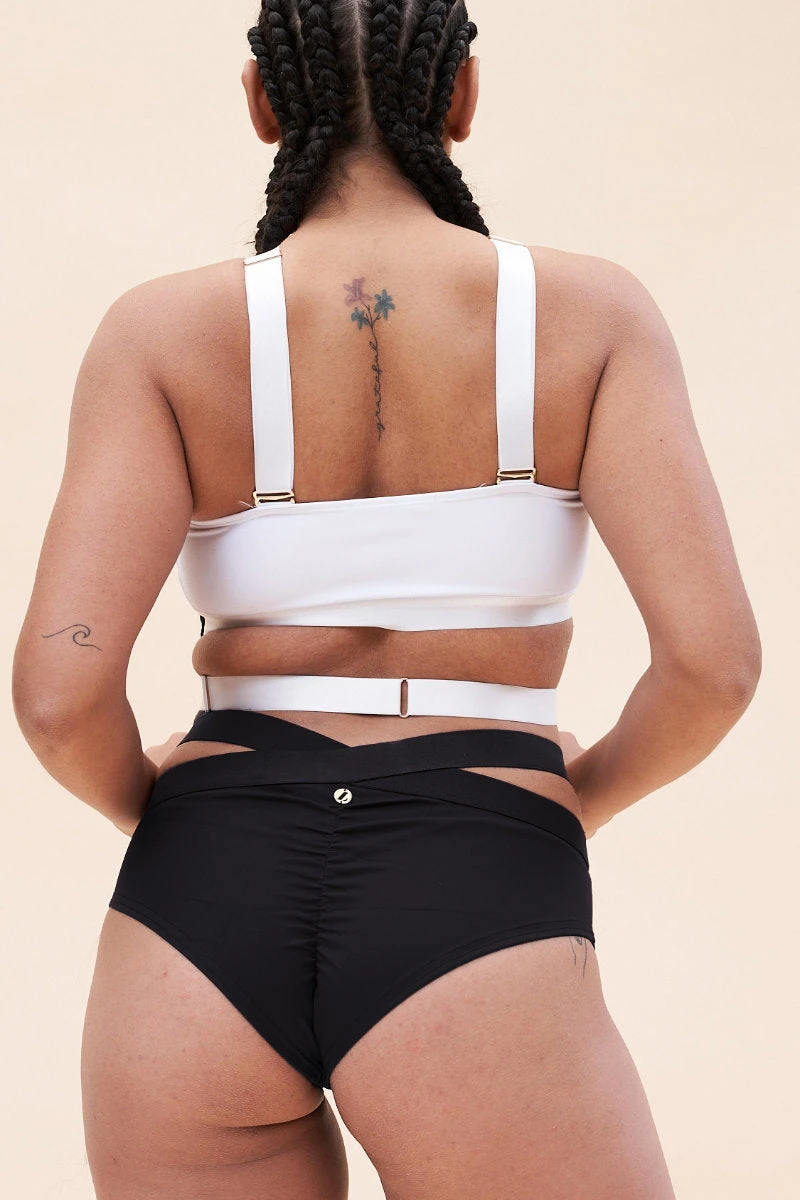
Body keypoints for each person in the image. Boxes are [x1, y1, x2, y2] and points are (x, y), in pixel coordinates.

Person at [12, 2, 761, 1197]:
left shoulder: (159, 333)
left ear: (261, 102)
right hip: (474, 874)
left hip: (198, 898)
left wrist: (168, 817)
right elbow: (712, 669)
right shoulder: (591, 318)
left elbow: (59, 697)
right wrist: (572, 803)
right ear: (460, 94)